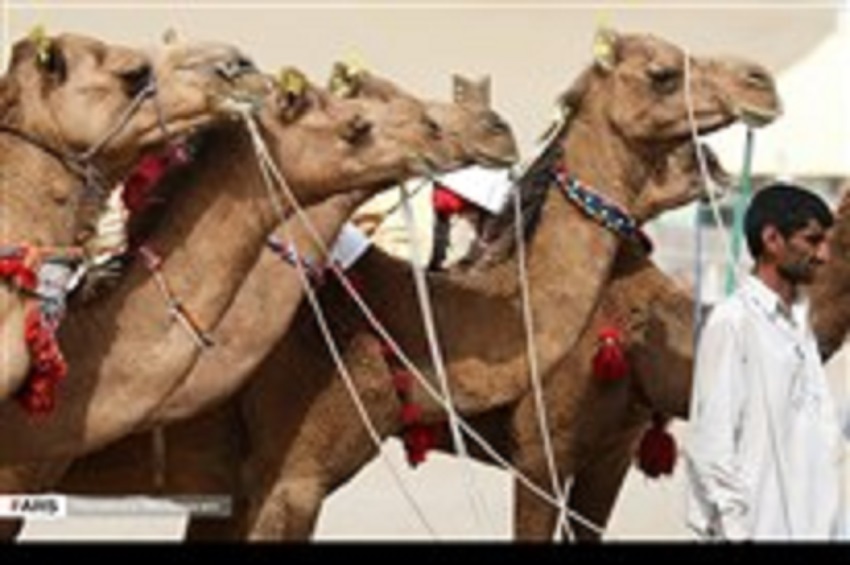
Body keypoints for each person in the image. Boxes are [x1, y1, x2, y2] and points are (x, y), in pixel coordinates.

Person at [684, 182, 848, 541]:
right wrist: (736, 531)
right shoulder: (733, 323)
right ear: (772, 239)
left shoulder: (801, 328)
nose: (823, 255)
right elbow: (711, 444)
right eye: (812, 240)